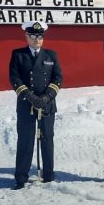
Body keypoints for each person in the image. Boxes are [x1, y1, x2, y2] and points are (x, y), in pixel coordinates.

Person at [8, 20, 63, 190]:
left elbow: (58, 78)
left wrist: (47, 97)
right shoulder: (18, 55)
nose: (37, 39)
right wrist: (30, 97)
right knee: (25, 140)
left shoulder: (50, 55)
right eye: (33, 36)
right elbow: (14, 78)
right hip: (26, 104)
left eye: (40, 36)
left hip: (47, 105)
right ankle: (21, 178)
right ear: (27, 36)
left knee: (47, 139)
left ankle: (48, 175)